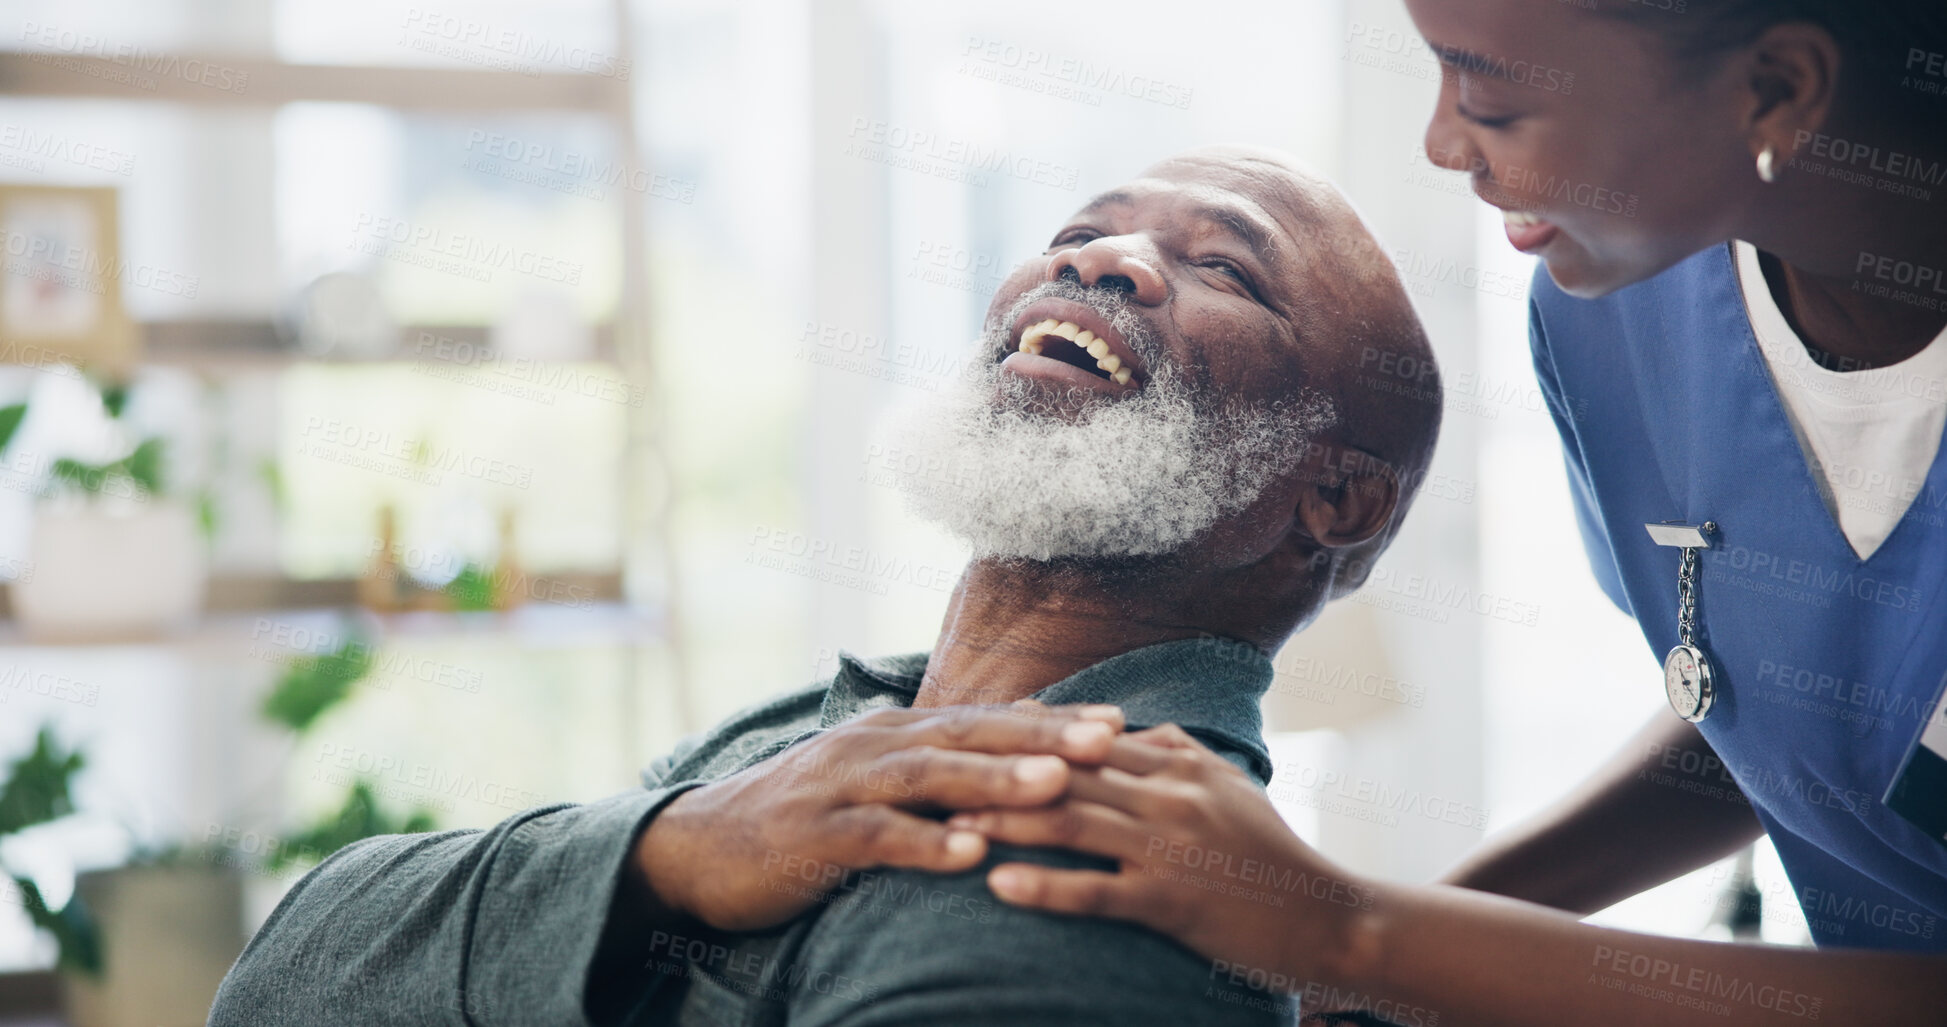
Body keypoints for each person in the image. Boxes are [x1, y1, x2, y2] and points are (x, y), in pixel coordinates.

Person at [206, 146, 1443, 1027]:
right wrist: (670, 853)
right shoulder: (802, 745)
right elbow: (275, 983)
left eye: (1228, 268)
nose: (1108, 260)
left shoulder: (1094, 845)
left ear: (1334, 497)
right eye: (1077, 233)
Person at [954, 2, 1947, 1024]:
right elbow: (1796, 713)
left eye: (1495, 102)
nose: (1442, 143)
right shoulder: (1613, 315)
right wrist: (1387, 957)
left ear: (1776, 90)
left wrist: (1361, 934)